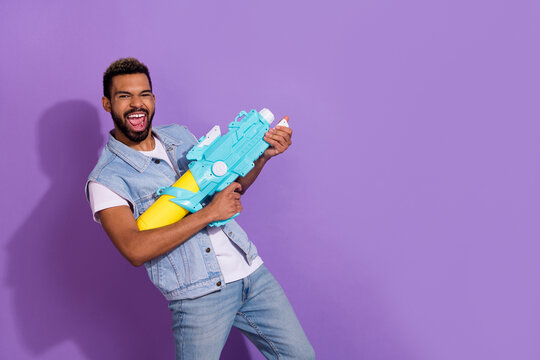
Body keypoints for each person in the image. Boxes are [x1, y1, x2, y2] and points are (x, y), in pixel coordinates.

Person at [86, 57, 315, 359]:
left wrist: (263, 155)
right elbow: (134, 249)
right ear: (107, 103)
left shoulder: (179, 136)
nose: (136, 104)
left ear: (152, 99)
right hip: (198, 295)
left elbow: (230, 188)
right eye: (123, 96)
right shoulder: (106, 179)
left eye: (143, 94)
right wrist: (209, 213)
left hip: (251, 274)